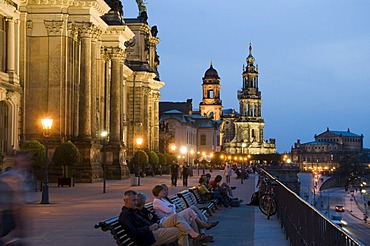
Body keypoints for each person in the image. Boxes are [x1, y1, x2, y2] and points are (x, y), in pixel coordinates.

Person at [119, 190, 189, 246]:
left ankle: (195, 235)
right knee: (182, 231)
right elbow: (134, 233)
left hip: (155, 228)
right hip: (148, 237)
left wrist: (153, 223)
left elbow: (151, 217)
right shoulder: (125, 215)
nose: (136, 202)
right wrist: (149, 228)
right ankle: (195, 236)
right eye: (134, 200)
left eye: (137, 200)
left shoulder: (135, 210)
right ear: (126, 201)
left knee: (176, 217)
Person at [0, 151, 34, 245]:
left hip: (18, 217)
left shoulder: (27, 176)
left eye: (25, 160)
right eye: (22, 160)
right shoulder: (10, 176)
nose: (24, 163)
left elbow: (24, 201)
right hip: (8, 216)